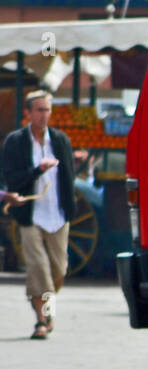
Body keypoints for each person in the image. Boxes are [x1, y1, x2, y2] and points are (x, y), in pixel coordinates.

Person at [1, 91, 86, 339]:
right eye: (39, 110)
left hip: (58, 215)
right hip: (30, 214)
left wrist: (70, 207)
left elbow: (68, 178)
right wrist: (37, 170)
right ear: (28, 113)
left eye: (47, 110)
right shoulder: (15, 142)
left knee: (58, 269)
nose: (43, 115)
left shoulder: (60, 141)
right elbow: (12, 178)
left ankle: (42, 304)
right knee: (38, 267)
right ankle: (42, 319)